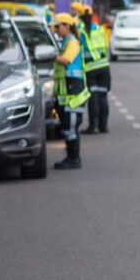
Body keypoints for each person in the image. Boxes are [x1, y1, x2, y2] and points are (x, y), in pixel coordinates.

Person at [51, 13, 90, 169]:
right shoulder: (65, 41)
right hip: (68, 92)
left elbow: (66, 60)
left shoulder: (72, 42)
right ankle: (71, 157)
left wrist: (51, 55)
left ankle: (74, 159)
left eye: (58, 26)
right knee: (68, 127)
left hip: (75, 92)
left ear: (67, 26)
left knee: (71, 126)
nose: (56, 29)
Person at [79, 7, 111, 134]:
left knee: (93, 99)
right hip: (104, 67)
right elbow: (105, 46)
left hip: (90, 68)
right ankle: (104, 126)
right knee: (103, 98)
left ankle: (93, 127)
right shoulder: (99, 29)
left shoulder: (81, 32)